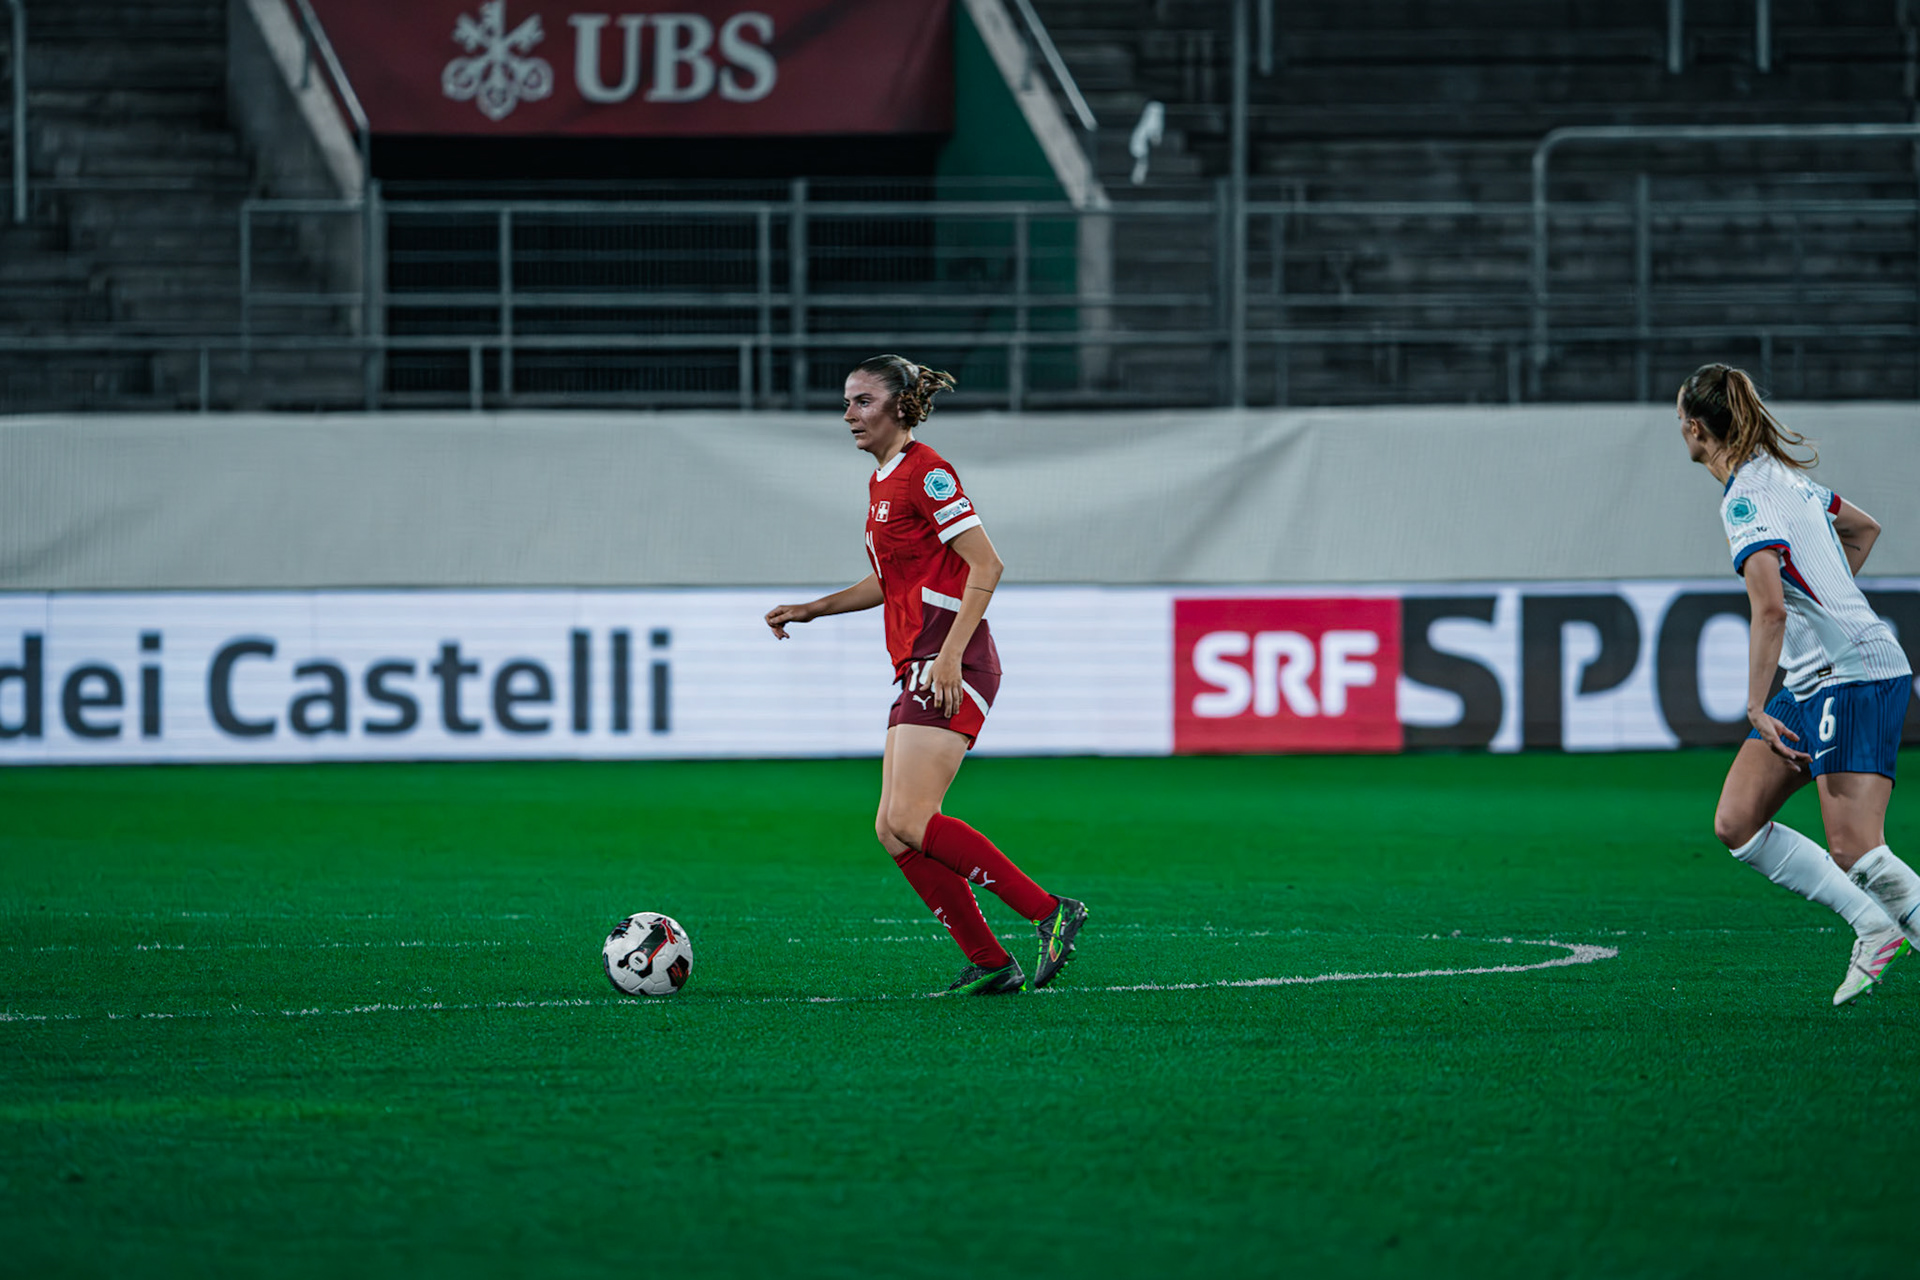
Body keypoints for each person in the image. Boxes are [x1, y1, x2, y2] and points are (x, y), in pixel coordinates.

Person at [764, 355, 1089, 995]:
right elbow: (891, 582)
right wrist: (812, 609)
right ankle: (991, 962)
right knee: (892, 828)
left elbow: (986, 566)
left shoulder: (926, 473)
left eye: (862, 401)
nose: (849, 414)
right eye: (848, 401)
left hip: (949, 659)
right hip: (921, 658)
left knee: (911, 817)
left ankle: (1051, 913)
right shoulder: (882, 483)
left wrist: (947, 655)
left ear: (898, 406)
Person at [1680, 363, 1920, 1006]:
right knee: (1737, 821)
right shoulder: (1793, 482)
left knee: (1857, 851)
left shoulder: (1745, 500)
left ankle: (1895, 917)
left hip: (1856, 674)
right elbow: (1863, 529)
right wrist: (1835, 596)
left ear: (1696, 429)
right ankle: (1874, 924)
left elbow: (1771, 610)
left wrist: (1756, 705)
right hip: (1817, 675)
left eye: (1682, 419)